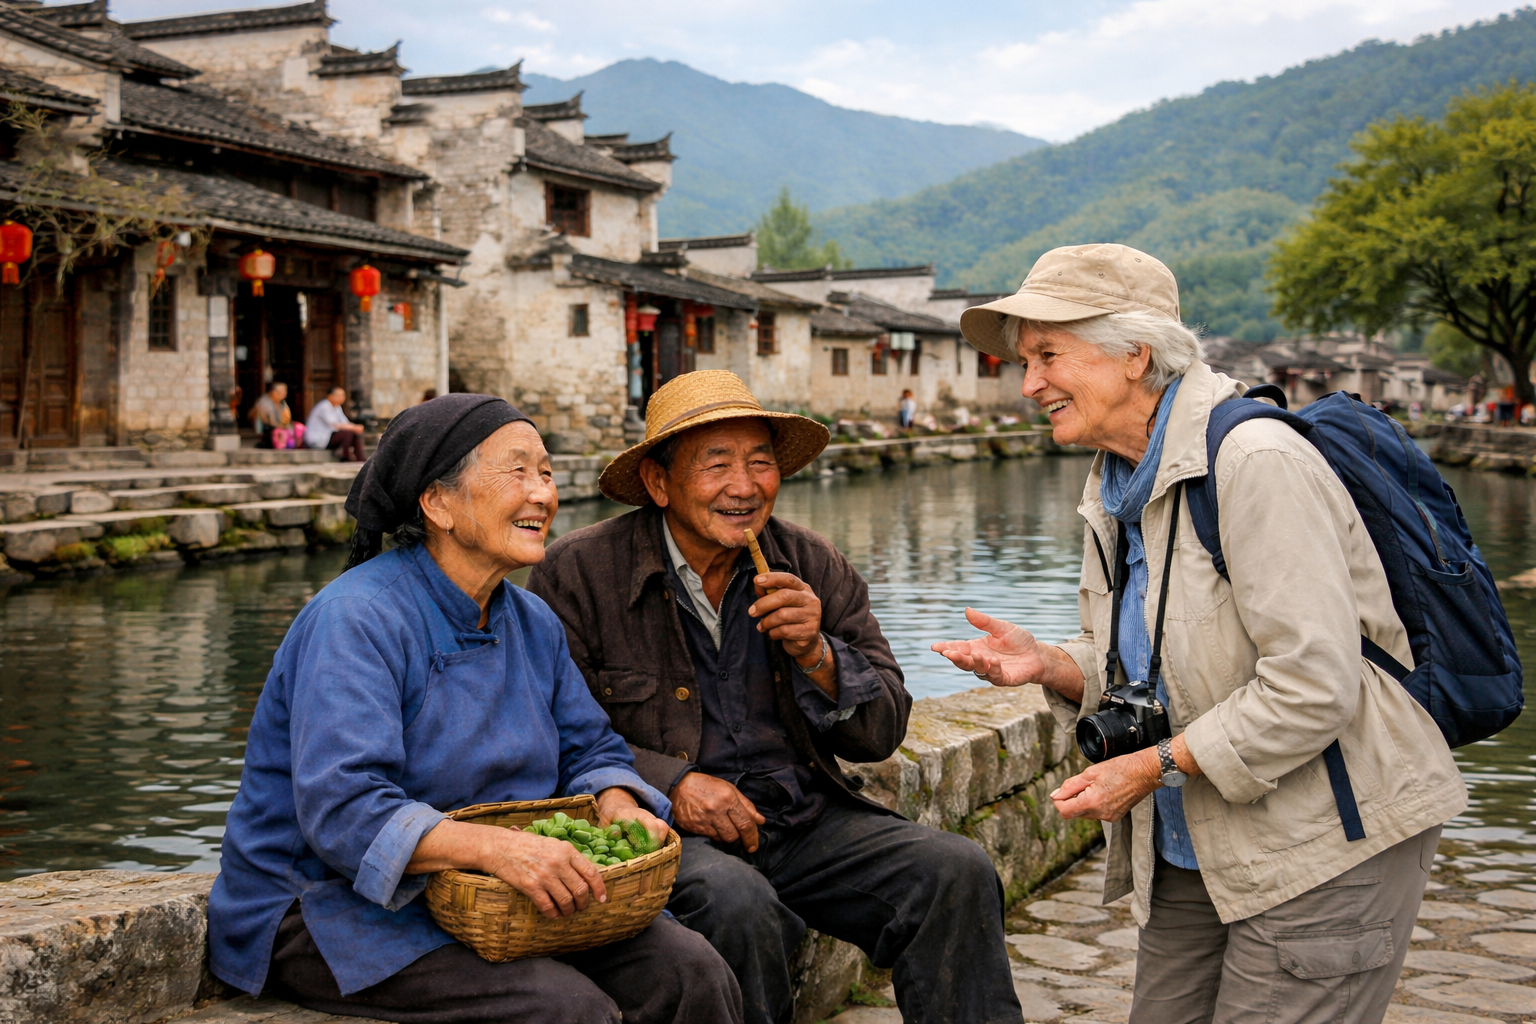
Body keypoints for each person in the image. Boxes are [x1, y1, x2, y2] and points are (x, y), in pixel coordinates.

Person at [933, 244, 1467, 1024]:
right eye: (1025, 361)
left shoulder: (1254, 460)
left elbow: (1314, 682)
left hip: (1325, 843)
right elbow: (1170, 659)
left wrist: (1152, 766)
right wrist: (1055, 664)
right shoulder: (1119, 480)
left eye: (1048, 355)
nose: (1029, 384)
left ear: (1133, 355)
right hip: (1197, 845)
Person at [207, 394, 743, 1024]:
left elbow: (589, 748)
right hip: (331, 904)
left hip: (495, 893)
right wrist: (499, 851)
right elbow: (343, 806)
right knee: (565, 1010)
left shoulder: (532, 621)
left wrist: (619, 806)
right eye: (516, 471)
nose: (542, 493)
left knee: (691, 973)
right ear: (438, 504)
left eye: (545, 472)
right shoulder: (358, 620)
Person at [528, 370, 1021, 1024]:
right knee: (736, 905)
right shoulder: (579, 572)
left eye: (761, 462)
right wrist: (671, 783)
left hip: (801, 822)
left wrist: (818, 656)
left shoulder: (809, 561)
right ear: (657, 482)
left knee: (952, 872)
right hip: (666, 835)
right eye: (718, 464)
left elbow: (883, 731)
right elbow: (551, 729)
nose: (745, 486)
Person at [305, 386, 366, 462]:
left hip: (328, 437)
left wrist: (355, 427)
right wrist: (353, 427)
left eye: (343, 395)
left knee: (354, 433)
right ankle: (345, 457)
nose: (342, 398)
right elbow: (335, 424)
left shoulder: (337, 407)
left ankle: (360, 458)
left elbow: (345, 423)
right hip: (318, 440)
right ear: (330, 396)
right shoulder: (324, 406)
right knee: (347, 433)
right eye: (339, 395)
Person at [252, 381, 291, 448]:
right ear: (274, 392)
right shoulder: (266, 402)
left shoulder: (282, 403)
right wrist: (284, 427)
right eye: (282, 390)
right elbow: (271, 422)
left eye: (285, 390)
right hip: (268, 429)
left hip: (278, 428)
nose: (285, 392)